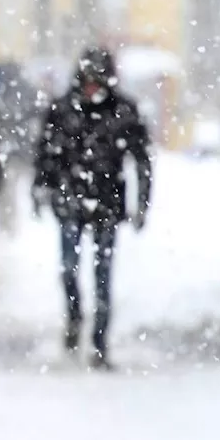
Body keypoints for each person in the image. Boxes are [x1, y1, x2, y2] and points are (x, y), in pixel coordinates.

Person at [33, 46, 152, 370]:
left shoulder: (124, 111)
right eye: (87, 80)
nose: (91, 87)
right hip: (70, 198)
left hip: (107, 202)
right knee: (69, 269)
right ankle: (74, 316)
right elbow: (45, 153)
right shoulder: (61, 110)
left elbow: (141, 160)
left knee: (102, 275)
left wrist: (142, 203)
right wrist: (41, 187)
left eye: (97, 81)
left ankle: (99, 342)